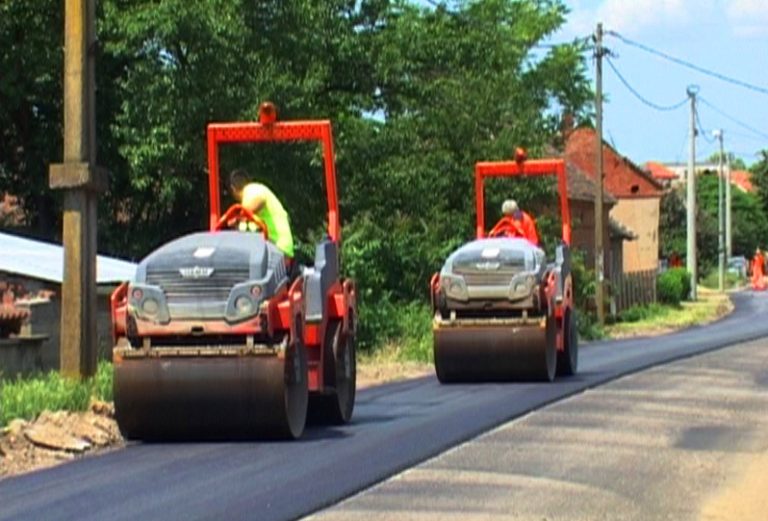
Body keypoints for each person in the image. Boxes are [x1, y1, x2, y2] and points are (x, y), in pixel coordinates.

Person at [229, 169, 294, 259]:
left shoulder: (251, 190)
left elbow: (260, 199)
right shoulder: (255, 190)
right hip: (278, 247)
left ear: (233, 188)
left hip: (277, 247)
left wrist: (240, 217)